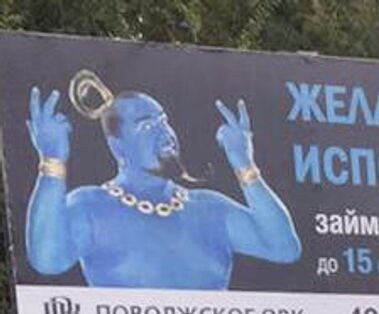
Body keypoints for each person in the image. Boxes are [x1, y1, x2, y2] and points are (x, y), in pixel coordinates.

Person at [26, 75, 299, 290]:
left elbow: (284, 248)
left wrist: (244, 164)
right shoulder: (91, 204)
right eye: (147, 126)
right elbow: (48, 260)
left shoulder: (210, 207)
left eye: (164, 121)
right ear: (117, 147)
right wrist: (52, 161)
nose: (165, 133)